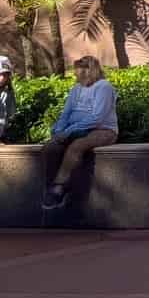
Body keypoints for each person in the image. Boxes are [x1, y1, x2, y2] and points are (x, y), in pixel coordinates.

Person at [42, 56, 118, 209]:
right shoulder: (76, 88)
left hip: (103, 130)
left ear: (89, 70)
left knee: (77, 145)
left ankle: (59, 187)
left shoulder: (104, 86)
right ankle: (53, 186)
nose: (75, 74)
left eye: (78, 70)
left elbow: (97, 117)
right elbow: (66, 113)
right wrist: (58, 130)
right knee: (50, 147)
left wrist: (69, 131)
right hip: (76, 129)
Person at [0, 55, 15, 142]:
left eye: (5, 75)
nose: (2, 78)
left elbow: (11, 113)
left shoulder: (8, 92)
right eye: (0, 74)